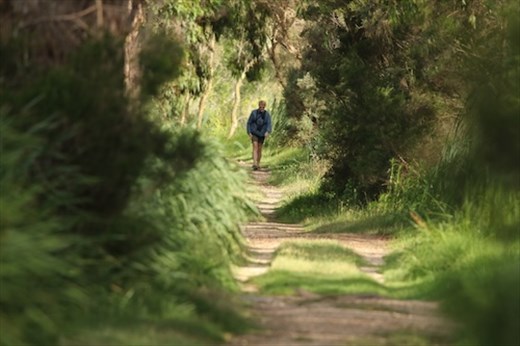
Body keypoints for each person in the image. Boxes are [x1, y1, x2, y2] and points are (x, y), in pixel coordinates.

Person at [246, 100, 272, 170]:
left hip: (262, 133)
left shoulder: (267, 115)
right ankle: (254, 163)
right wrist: (249, 132)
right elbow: (249, 123)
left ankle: (258, 163)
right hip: (254, 132)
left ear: (264, 107)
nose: (261, 108)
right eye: (260, 107)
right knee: (255, 146)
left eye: (263, 107)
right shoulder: (253, 113)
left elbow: (269, 124)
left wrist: (267, 132)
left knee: (259, 149)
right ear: (258, 106)